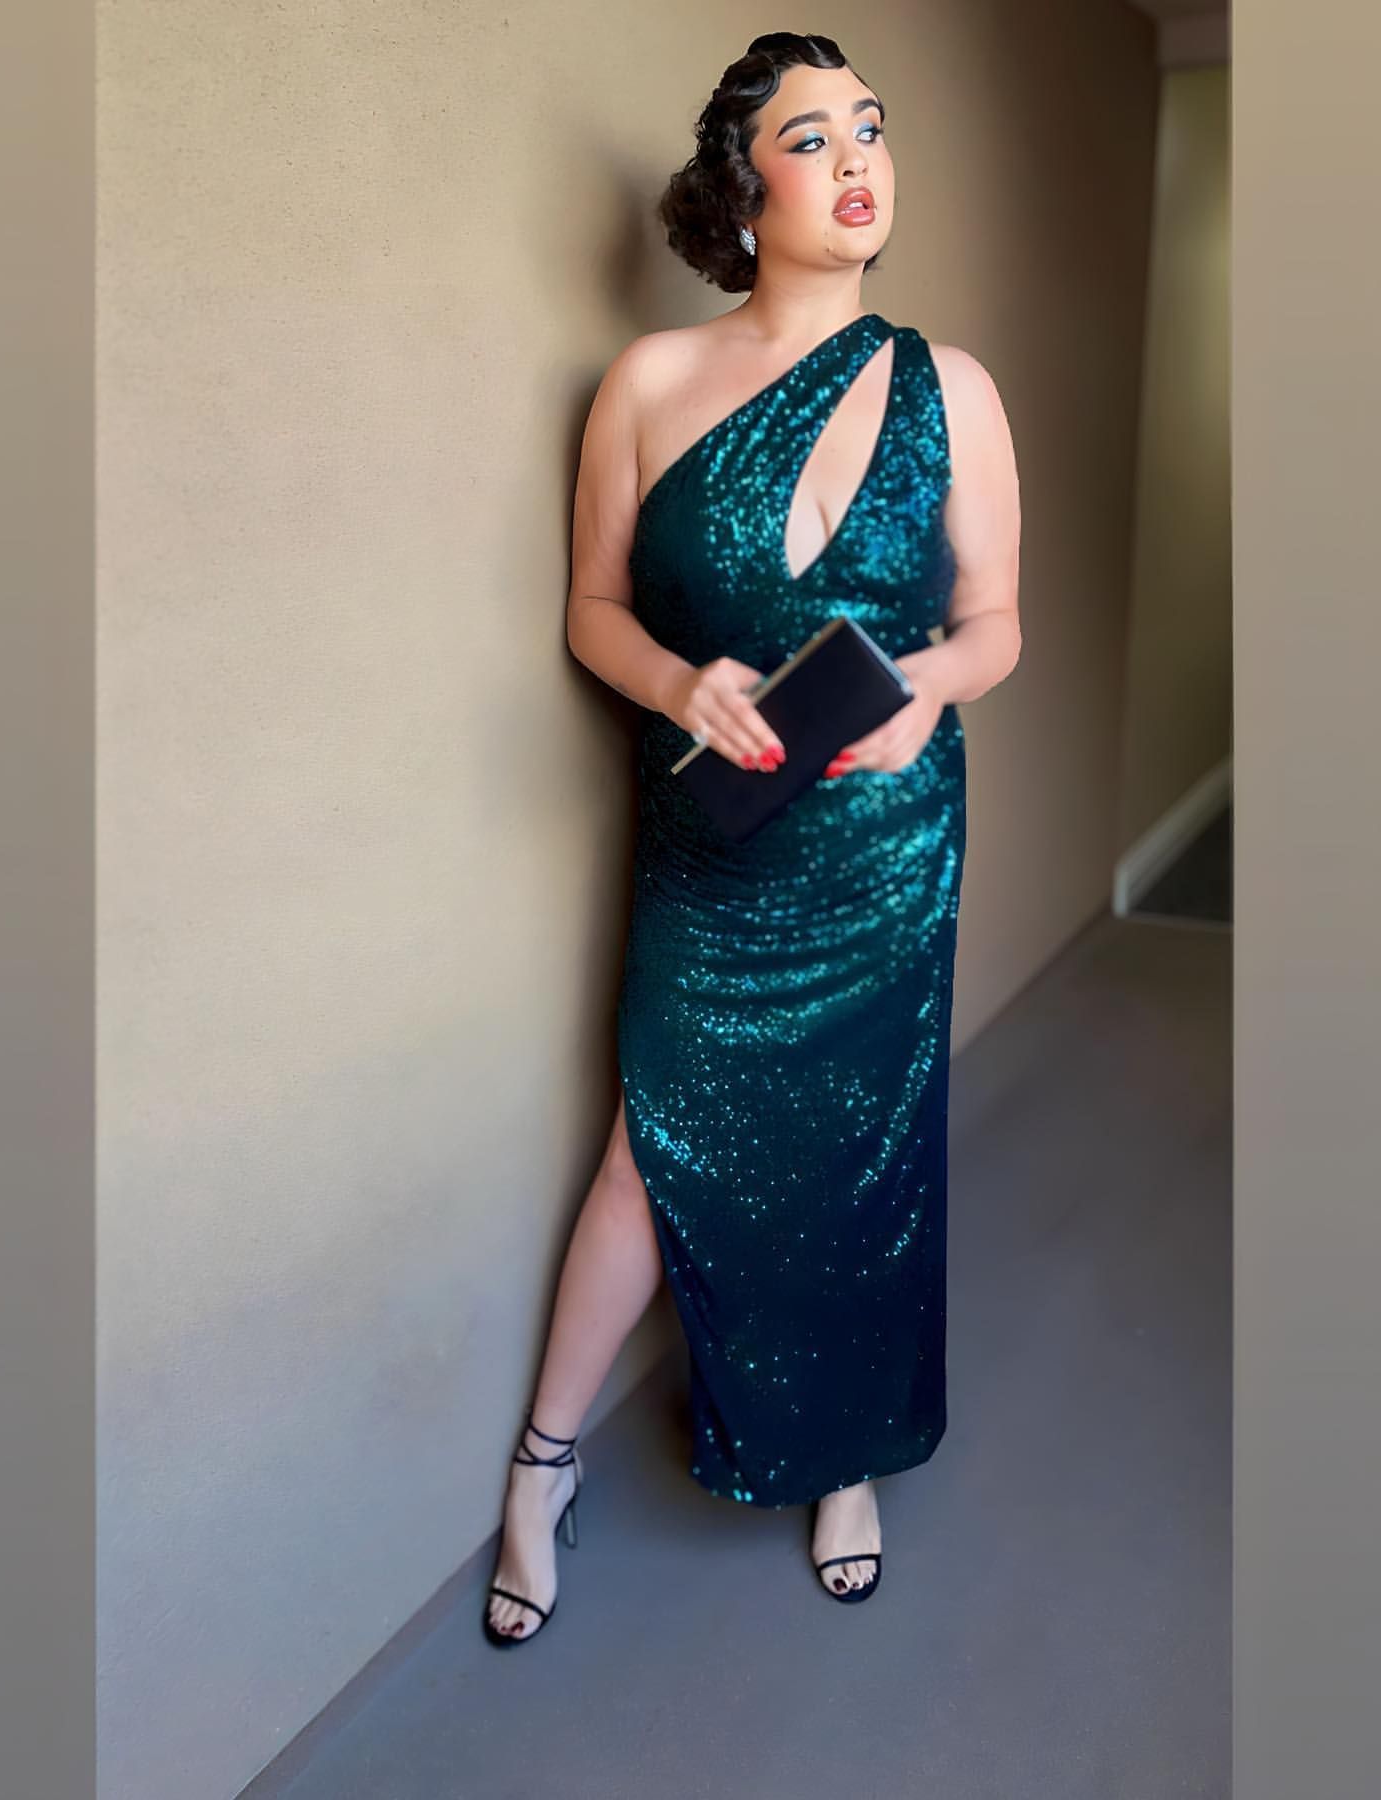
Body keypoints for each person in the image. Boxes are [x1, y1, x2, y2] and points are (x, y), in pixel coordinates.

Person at [484, 30, 1021, 1647]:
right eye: (810, 136)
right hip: (716, 848)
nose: (857, 159)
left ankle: (843, 1457)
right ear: (741, 191)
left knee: (865, 1152)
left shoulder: (953, 388)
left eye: (872, 127)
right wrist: (679, 681)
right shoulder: (648, 385)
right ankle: (540, 1467)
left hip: (885, 844)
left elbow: (995, 625)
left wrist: (925, 691)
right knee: (650, 1148)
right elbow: (592, 609)